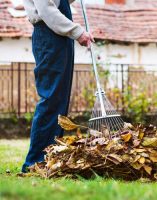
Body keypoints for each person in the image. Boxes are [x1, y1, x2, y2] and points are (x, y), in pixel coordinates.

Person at [22, 0, 94, 173]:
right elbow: (47, 10)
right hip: (49, 35)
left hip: (59, 38)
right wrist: (78, 32)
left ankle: (51, 158)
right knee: (51, 99)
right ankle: (35, 162)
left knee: (60, 101)